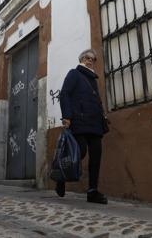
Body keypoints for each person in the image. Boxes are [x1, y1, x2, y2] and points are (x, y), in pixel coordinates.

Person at [57, 48, 108, 204]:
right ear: (81, 59)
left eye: (93, 59)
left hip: (95, 123)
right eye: (87, 57)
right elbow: (64, 93)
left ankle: (92, 191)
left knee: (96, 155)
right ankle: (61, 176)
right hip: (79, 120)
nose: (90, 60)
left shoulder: (93, 79)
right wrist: (67, 116)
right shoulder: (74, 74)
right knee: (81, 151)